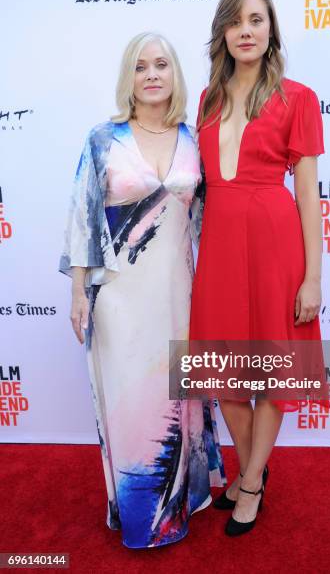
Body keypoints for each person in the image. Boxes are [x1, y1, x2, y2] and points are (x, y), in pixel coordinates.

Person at [59, 32, 225, 549]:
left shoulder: (195, 138)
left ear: (175, 75)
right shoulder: (102, 139)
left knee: (181, 404)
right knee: (134, 410)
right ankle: (141, 517)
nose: (151, 74)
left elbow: (209, 218)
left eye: (161, 65)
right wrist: (80, 292)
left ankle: (179, 507)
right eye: (140, 67)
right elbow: (83, 219)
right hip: (121, 301)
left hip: (181, 297)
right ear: (128, 78)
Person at [190, 0, 327, 536]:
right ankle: (255, 470)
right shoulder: (206, 99)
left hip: (276, 247)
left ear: (271, 31)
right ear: (222, 32)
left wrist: (313, 276)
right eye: (236, 21)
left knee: (272, 373)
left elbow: (310, 195)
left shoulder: (299, 97)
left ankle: (248, 483)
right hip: (219, 247)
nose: (246, 31)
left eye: (257, 20)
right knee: (223, 375)